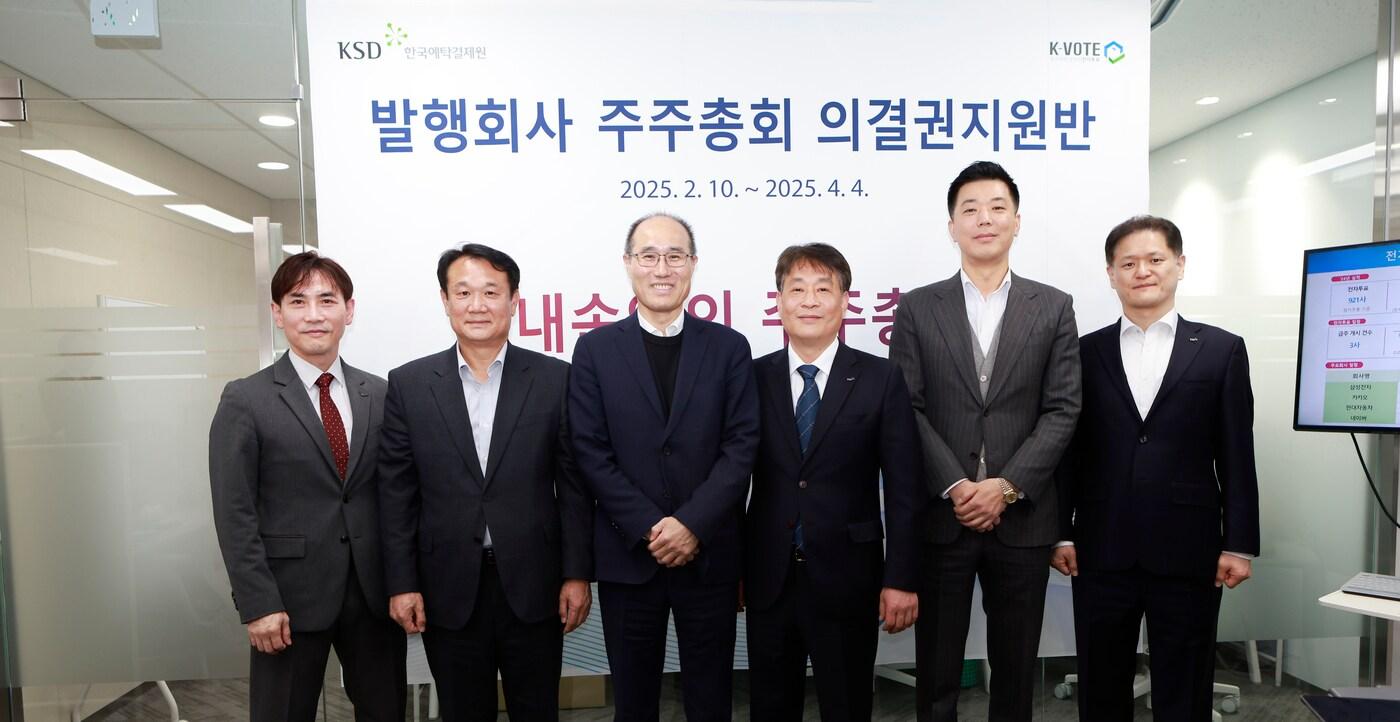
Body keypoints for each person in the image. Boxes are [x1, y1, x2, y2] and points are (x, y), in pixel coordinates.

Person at [888, 160, 1081, 722]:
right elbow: (906, 407)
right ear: (952, 226)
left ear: (1017, 221)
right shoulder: (918, 307)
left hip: (1023, 521)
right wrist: (956, 484)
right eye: (969, 209)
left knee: (1016, 671)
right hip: (942, 519)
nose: (984, 219)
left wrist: (1007, 486)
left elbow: (1064, 407)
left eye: (998, 208)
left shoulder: (1054, 306)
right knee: (937, 670)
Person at [1052, 215, 1259, 721]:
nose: (1142, 271)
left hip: (1189, 548)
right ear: (1111, 274)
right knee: (1101, 686)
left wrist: (1239, 543)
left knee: (1185, 689)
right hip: (1101, 547)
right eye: (1128, 263)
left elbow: (1237, 453)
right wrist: (1061, 532)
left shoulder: (1221, 350)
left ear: (1179, 265)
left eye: (1155, 259)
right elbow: (1066, 452)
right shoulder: (1083, 352)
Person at [377, 244, 593, 722]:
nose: (477, 305)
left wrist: (577, 574)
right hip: (447, 586)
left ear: (514, 301)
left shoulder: (555, 379)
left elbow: (574, 487)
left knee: (537, 712)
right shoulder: (410, 384)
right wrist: (402, 583)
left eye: (491, 292)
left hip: (535, 585)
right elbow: (397, 495)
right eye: (464, 292)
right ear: (445, 300)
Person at [568, 213, 760, 722]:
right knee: (633, 703)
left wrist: (692, 524)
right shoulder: (595, 350)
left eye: (675, 256)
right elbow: (590, 450)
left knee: (711, 699)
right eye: (648, 256)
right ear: (628, 263)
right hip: (629, 557)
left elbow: (742, 446)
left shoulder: (729, 347)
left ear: (692, 264)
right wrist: (650, 526)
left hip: (709, 556)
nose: (662, 268)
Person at [210, 251, 406, 722]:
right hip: (287, 601)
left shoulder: (380, 393)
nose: (314, 314)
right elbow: (234, 512)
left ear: (349, 311)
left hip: (373, 597)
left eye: (327, 300)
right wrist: (258, 603)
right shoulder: (246, 398)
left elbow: (398, 498)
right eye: (298, 301)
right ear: (277, 314)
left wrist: (404, 584)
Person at [745, 243, 923, 722]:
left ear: (845, 301)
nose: (809, 301)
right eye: (797, 289)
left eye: (823, 290)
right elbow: (731, 477)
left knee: (847, 706)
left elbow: (905, 489)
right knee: (770, 707)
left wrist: (901, 579)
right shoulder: (751, 378)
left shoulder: (880, 378)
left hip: (850, 577)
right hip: (768, 578)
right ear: (778, 301)